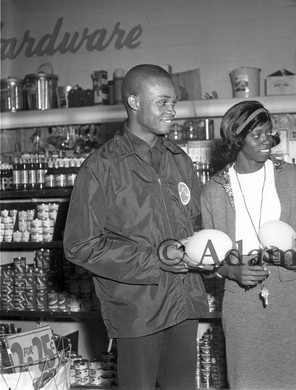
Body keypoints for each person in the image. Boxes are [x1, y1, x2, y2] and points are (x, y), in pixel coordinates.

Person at [63, 64, 208, 390]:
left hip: (184, 304)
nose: (172, 111)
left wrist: (204, 252)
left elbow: (197, 224)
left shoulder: (179, 160)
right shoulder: (102, 167)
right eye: (163, 102)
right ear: (134, 102)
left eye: (174, 103)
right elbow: (80, 245)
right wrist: (156, 259)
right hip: (139, 312)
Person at [201, 100, 296, 390]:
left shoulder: (289, 176)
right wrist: (231, 271)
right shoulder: (214, 189)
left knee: (289, 379)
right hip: (241, 299)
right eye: (258, 135)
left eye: (269, 132)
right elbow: (208, 254)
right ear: (237, 140)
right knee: (245, 380)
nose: (268, 141)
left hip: (289, 295)